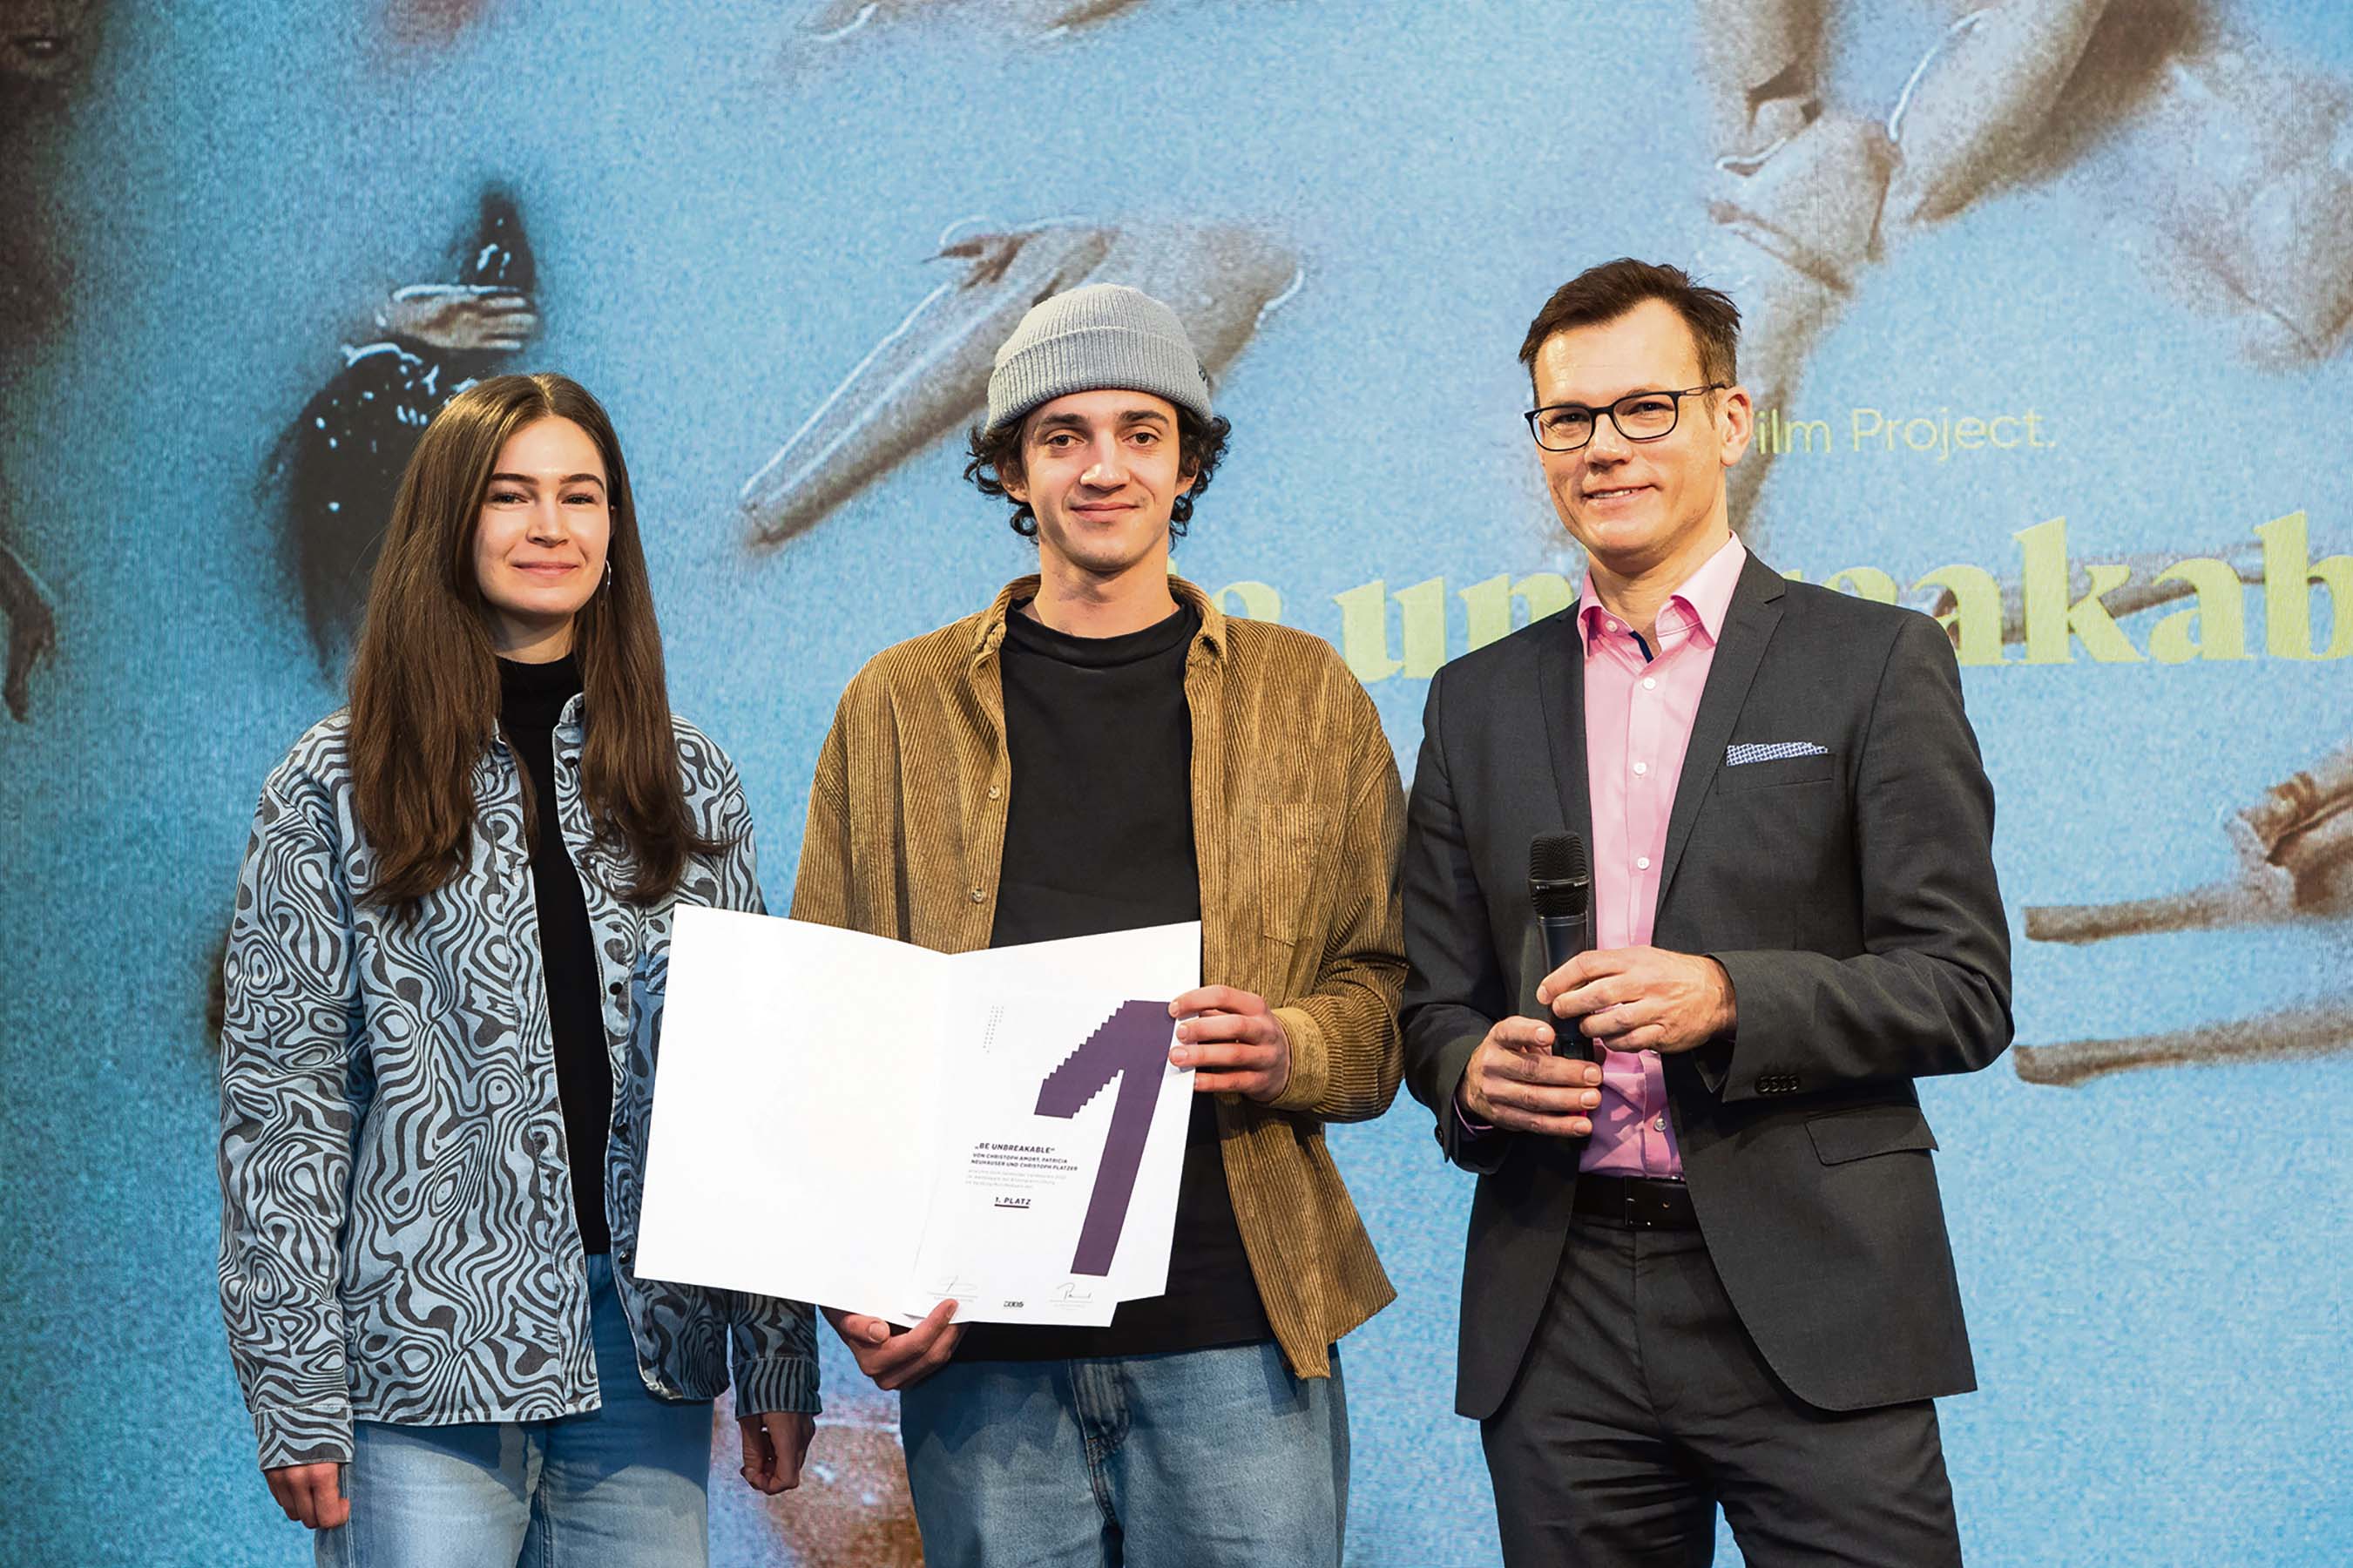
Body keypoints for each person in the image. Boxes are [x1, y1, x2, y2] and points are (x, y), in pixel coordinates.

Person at [1399, 258, 2011, 1566]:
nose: (1601, 450)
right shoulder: (1473, 700)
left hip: (1815, 1292)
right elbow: (1429, 998)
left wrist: (1729, 998)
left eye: (1643, 409)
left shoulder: (1874, 662)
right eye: (1567, 420)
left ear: (1729, 422)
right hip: (1554, 1309)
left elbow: (1960, 988)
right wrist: (1469, 1069)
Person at [790, 282, 1405, 1566]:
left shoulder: (1307, 697)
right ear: (1011, 471)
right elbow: (830, 1024)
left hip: (1234, 1320)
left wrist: (1293, 1045)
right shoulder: (895, 706)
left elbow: (1383, 993)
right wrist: (851, 1273)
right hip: (980, 1345)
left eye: (1141, 430)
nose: (1103, 467)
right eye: (1061, 436)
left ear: (1187, 464)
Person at [217, 372, 818, 1565]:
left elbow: (747, 1094)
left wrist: (775, 1351)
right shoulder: (336, 779)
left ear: (612, 533)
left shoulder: (687, 777)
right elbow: (284, 1107)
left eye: (580, 497)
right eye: (511, 496)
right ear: (450, 522)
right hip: (419, 1357)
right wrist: (293, 1382)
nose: (551, 526)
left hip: (646, 1351)